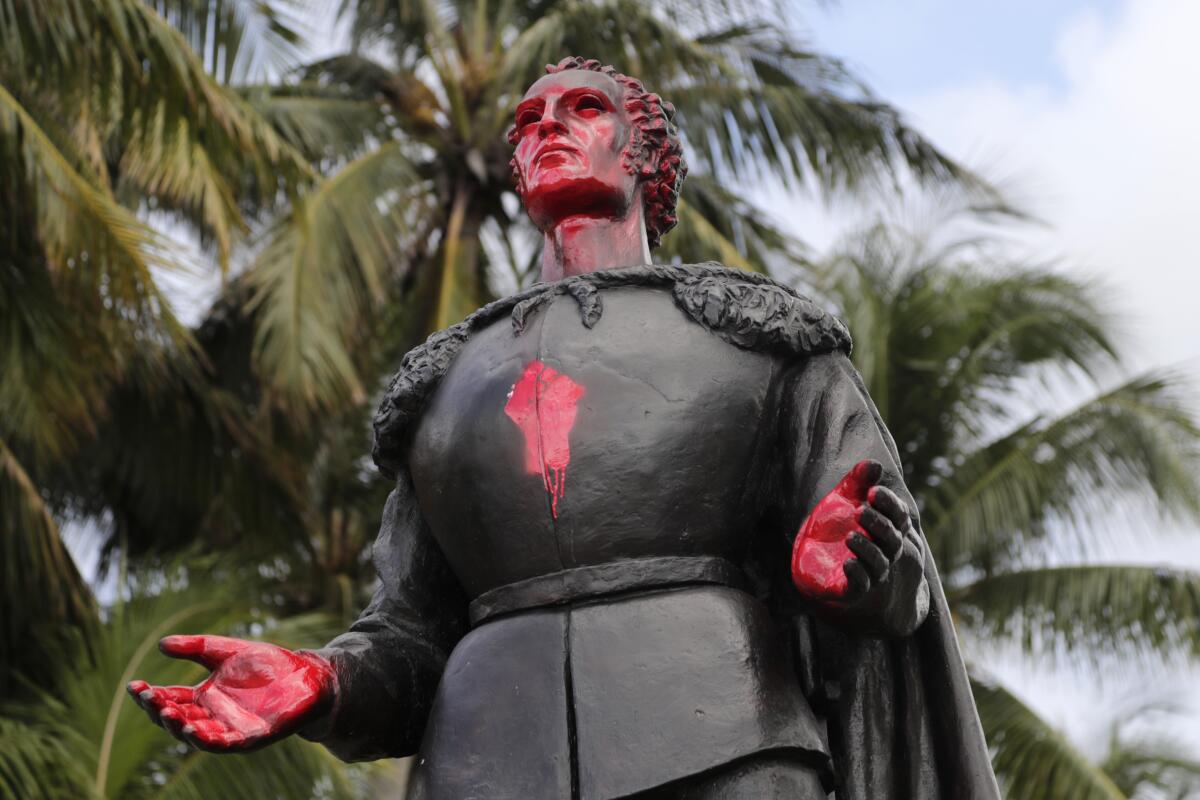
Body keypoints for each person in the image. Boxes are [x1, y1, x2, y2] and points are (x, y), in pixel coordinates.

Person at [129, 57, 1000, 799]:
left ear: (643, 150)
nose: (549, 126)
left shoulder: (758, 338)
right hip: (488, 764)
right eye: (529, 120)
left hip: (726, 745)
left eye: (585, 109)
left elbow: (891, 568)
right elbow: (411, 629)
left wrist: (857, 574)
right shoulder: (442, 385)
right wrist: (326, 682)